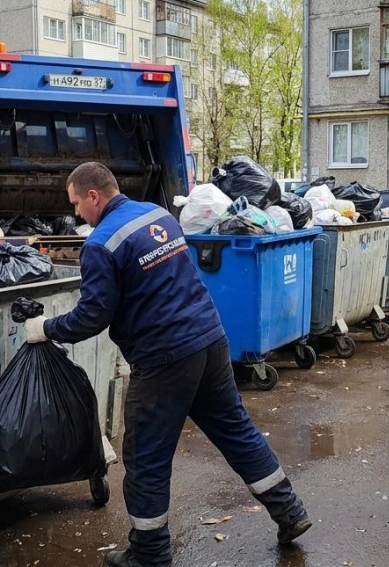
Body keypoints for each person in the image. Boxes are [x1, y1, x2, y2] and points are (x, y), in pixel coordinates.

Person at [21, 162, 312, 567]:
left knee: (145, 457)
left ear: (93, 196)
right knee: (238, 433)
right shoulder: (159, 215)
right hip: (210, 341)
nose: (76, 215)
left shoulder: (100, 244)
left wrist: (45, 328)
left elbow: (92, 316)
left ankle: (150, 553)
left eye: (77, 204)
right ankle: (290, 512)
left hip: (164, 358)